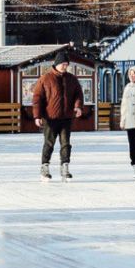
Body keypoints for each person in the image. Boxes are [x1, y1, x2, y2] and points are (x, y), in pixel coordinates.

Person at [32, 51, 84, 181]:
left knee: (66, 144)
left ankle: (65, 167)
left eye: (66, 64)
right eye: (63, 64)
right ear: (56, 64)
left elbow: (78, 94)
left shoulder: (72, 79)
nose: (65, 67)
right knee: (49, 143)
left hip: (66, 117)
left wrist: (77, 107)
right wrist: (37, 116)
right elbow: (37, 98)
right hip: (50, 118)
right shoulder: (45, 78)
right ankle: (45, 167)